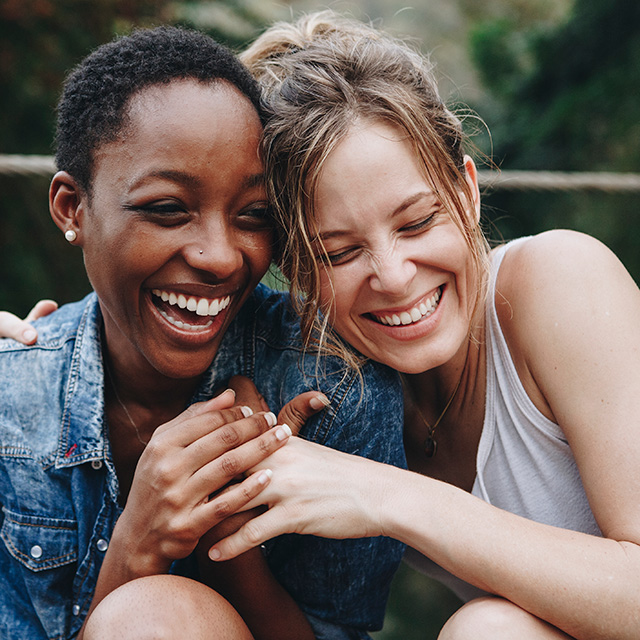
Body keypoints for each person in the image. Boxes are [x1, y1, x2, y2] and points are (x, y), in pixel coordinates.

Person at [199, 12, 640, 640]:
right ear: (295, 270)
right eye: (339, 253)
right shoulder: (344, 391)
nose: (395, 276)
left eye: (416, 223)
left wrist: (388, 497)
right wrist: (26, 353)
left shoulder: (559, 281)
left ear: (464, 190)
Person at [0, 25, 406, 640]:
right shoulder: (11, 403)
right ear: (72, 208)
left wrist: (232, 533)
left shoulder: (334, 389)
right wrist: (138, 547)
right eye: (167, 209)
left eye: (254, 216)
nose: (220, 257)